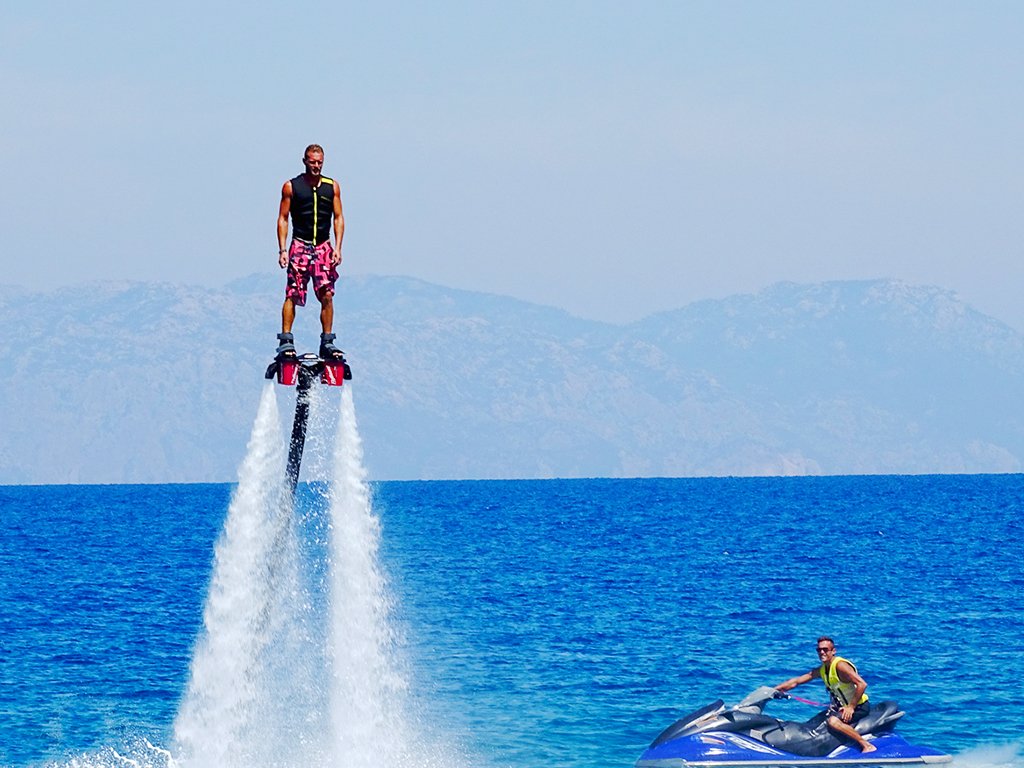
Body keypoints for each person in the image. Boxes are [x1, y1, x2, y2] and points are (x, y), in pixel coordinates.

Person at [276, 144, 345, 360]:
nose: (316, 166)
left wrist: (338, 247)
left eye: (319, 162)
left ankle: (327, 342)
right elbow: (283, 218)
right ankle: (286, 340)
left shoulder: (331, 186)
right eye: (312, 162)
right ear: (305, 161)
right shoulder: (292, 187)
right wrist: (283, 249)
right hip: (300, 245)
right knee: (293, 293)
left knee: (327, 294)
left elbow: (339, 217)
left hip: (323, 246)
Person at [775, 636, 877, 753]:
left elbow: (862, 684)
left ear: (833, 651)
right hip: (841, 707)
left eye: (825, 649)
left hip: (859, 707)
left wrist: (851, 707)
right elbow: (796, 681)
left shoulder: (840, 665)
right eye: (819, 650)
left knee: (832, 721)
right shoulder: (823, 669)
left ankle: (866, 745)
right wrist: (773, 690)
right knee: (814, 722)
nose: (822, 652)